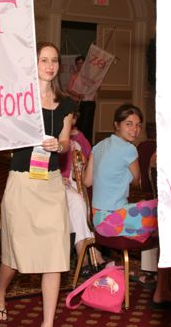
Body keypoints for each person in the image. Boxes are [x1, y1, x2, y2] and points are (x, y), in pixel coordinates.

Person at [0, 42, 74, 326]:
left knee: (55, 255)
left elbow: (65, 141)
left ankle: (48, 323)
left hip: (50, 185)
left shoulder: (66, 104)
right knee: (15, 255)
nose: (50, 66)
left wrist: (59, 147)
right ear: (33, 64)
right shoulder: (19, 100)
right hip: (22, 183)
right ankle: (0, 291)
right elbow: (2, 134)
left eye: (54, 60)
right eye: (43, 60)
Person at [84, 103, 171, 307]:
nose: (135, 129)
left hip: (98, 220)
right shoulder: (129, 150)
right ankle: (162, 289)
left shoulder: (98, 146)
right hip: (114, 220)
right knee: (166, 213)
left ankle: (145, 271)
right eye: (129, 124)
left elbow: (87, 182)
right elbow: (138, 181)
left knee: (148, 210)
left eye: (138, 125)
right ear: (117, 125)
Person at [59, 109, 106, 276]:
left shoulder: (79, 137)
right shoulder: (55, 136)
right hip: (59, 183)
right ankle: (87, 254)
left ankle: (87, 254)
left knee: (85, 205)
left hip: (77, 181)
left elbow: (89, 155)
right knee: (78, 203)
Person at [66, 55, 96, 144]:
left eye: (82, 63)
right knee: (78, 124)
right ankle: (78, 144)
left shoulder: (91, 76)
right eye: (78, 63)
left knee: (88, 125)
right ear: (76, 65)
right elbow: (68, 89)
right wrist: (78, 94)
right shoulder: (74, 75)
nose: (80, 65)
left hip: (89, 103)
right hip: (77, 103)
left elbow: (97, 87)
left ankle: (87, 145)